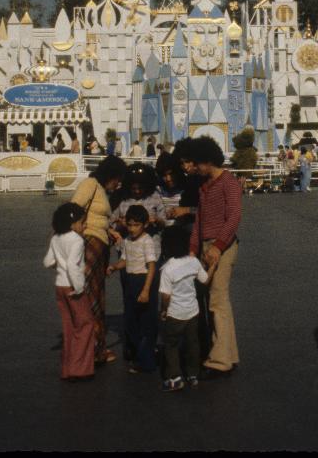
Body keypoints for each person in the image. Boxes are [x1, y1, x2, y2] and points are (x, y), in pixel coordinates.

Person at [182, 135, 243, 376]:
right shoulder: (204, 186)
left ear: (208, 160)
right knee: (212, 301)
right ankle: (228, 353)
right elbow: (199, 220)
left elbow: (234, 217)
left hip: (223, 246)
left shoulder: (228, 182)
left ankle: (220, 361)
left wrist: (217, 247)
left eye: (197, 164)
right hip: (206, 246)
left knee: (217, 300)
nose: (194, 168)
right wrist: (193, 249)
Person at [68, 156, 125, 365]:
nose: (118, 184)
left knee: (98, 296)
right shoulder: (90, 184)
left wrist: (109, 229)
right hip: (89, 243)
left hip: (100, 244)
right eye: (117, 179)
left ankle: (97, 348)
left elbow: (97, 217)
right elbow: (73, 209)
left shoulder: (100, 189)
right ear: (110, 174)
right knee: (90, 296)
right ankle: (89, 350)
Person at [43, 202, 95, 381]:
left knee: (69, 327)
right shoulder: (77, 240)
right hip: (73, 287)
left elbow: (48, 262)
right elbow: (73, 266)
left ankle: (67, 368)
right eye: (82, 222)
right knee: (86, 325)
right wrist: (80, 287)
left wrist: (60, 264)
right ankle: (79, 369)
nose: (85, 225)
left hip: (60, 286)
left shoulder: (56, 237)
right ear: (73, 224)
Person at [107, 205, 160, 374]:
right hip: (130, 282)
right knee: (131, 322)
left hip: (144, 282)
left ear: (145, 225)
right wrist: (114, 267)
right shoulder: (127, 241)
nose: (132, 228)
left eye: (136, 225)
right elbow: (125, 260)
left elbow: (151, 266)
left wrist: (146, 290)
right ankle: (142, 354)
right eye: (129, 225)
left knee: (147, 322)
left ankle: (147, 361)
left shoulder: (147, 241)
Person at [158, 224, 211, 391]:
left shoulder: (167, 269)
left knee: (171, 345)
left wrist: (164, 310)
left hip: (175, 314)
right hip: (192, 313)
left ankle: (175, 377)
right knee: (192, 344)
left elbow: (166, 295)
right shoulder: (193, 261)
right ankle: (193, 374)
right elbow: (205, 280)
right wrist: (214, 266)